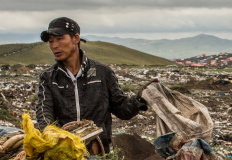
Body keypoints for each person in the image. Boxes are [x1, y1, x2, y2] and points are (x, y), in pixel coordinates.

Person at [34, 17, 147, 153]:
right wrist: (49, 134)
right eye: (51, 41)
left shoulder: (102, 73)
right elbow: (44, 110)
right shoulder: (49, 77)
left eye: (59, 39)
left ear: (76, 38)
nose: (54, 46)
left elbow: (121, 109)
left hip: (97, 152)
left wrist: (139, 100)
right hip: (63, 153)